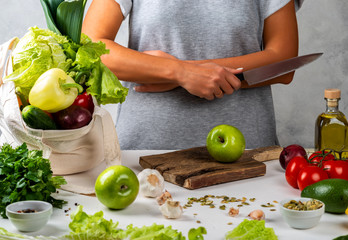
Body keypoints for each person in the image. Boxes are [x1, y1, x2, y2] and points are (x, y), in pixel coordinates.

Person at [82, 0, 303, 150]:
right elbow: (89, 50)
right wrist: (179, 73)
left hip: (247, 151)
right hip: (144, 150)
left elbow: (283, 61)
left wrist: (192, 73)